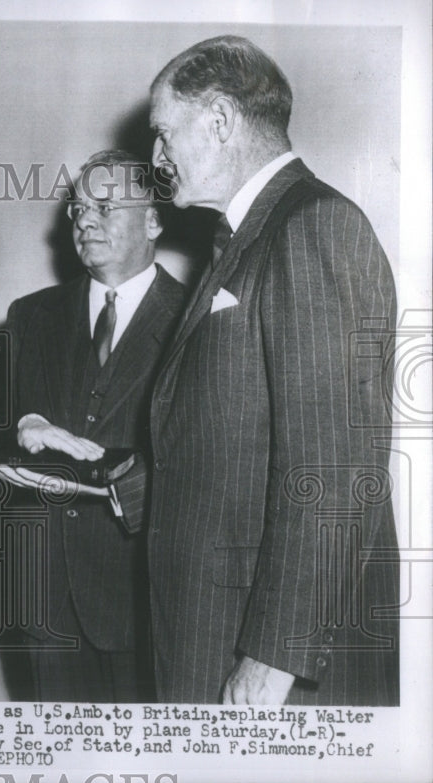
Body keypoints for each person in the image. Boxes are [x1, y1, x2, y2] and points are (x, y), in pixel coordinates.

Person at [147, 35, 398, 705]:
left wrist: (272, 659)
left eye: (164, 134)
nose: (155, 158)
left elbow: (335, 468)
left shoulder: (314, 227)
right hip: (211, 637)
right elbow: (226, 450)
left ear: (222, 121)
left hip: (266, 668)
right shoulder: (241, 240)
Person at [0, 151, 185, 702]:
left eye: (105, 206)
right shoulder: (29, 316)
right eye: (78, 209)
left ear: (153, 220)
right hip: (44, 603)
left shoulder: (195, 319)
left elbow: (203, 457)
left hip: (143, 601)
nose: (84, 221)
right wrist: (22, 423)